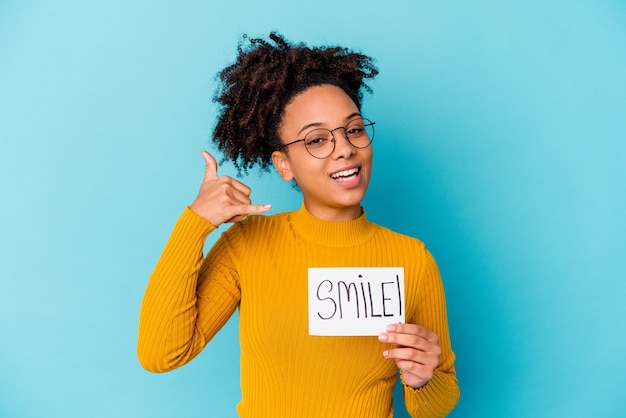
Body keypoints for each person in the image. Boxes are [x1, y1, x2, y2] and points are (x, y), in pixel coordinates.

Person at [137, 32, 459, 417]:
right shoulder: (248, 244)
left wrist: (422, 379)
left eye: (354, 129)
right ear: (283, 165)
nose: (345, 148)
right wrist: (195, 224)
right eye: (317, 140)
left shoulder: (412, 259)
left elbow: (437, 406)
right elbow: (161, 353)